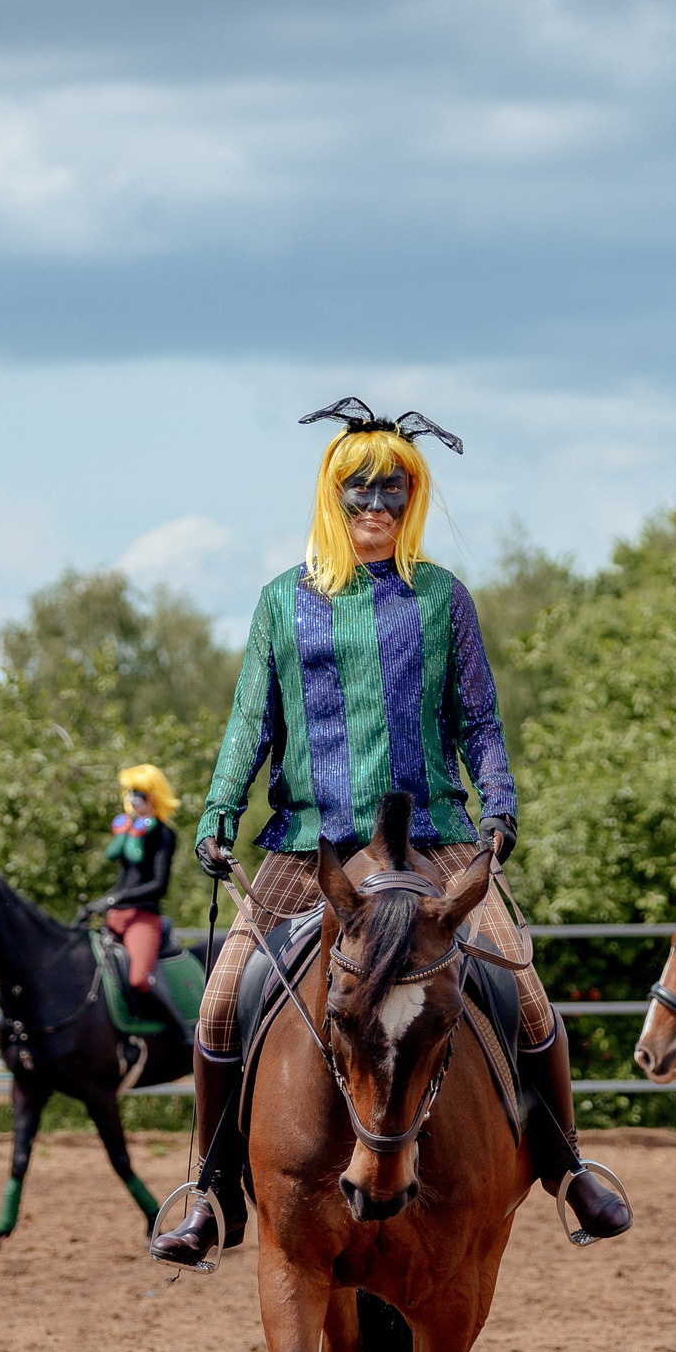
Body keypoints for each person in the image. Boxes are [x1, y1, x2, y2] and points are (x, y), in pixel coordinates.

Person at [148, 396, 631, 1268]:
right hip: (311, 845)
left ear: (413, 499)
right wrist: (219, 813)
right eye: (359, 492)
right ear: (331, 498)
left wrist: (500, 806)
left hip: (435, 836)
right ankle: (214, 1193)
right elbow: (249, 722)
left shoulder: (443, 598)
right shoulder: (279, 604)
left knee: (526, 996)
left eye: (394, 492)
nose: (376, 507)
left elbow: (479, 720)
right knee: (219, 1004)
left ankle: (567, 1168)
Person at [87, 765, 191, 1037]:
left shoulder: (163, 834)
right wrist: (100, 903)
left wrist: (114, 897)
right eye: (131, 794)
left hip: (143, 918)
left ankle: (181, 1033)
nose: (134, 800)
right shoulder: (129, 831)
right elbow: (127, 878)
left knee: (139, 980)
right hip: (115, 915)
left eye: (140, 795)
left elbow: (158, 885)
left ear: (154, 798)